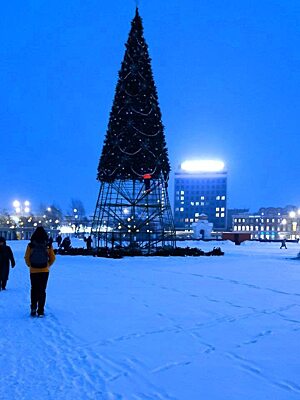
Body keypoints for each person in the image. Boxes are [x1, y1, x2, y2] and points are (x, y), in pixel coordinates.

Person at [24, 226, 56, 317]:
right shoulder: (48, 244)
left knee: (34, 289)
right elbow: (53, 258)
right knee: (42, 290)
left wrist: (30, 265)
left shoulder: (31, 245)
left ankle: (33, 308)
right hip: (44, 270)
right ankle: (41, 310)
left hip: (33, 270)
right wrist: (48, 265)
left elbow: (26, 257)